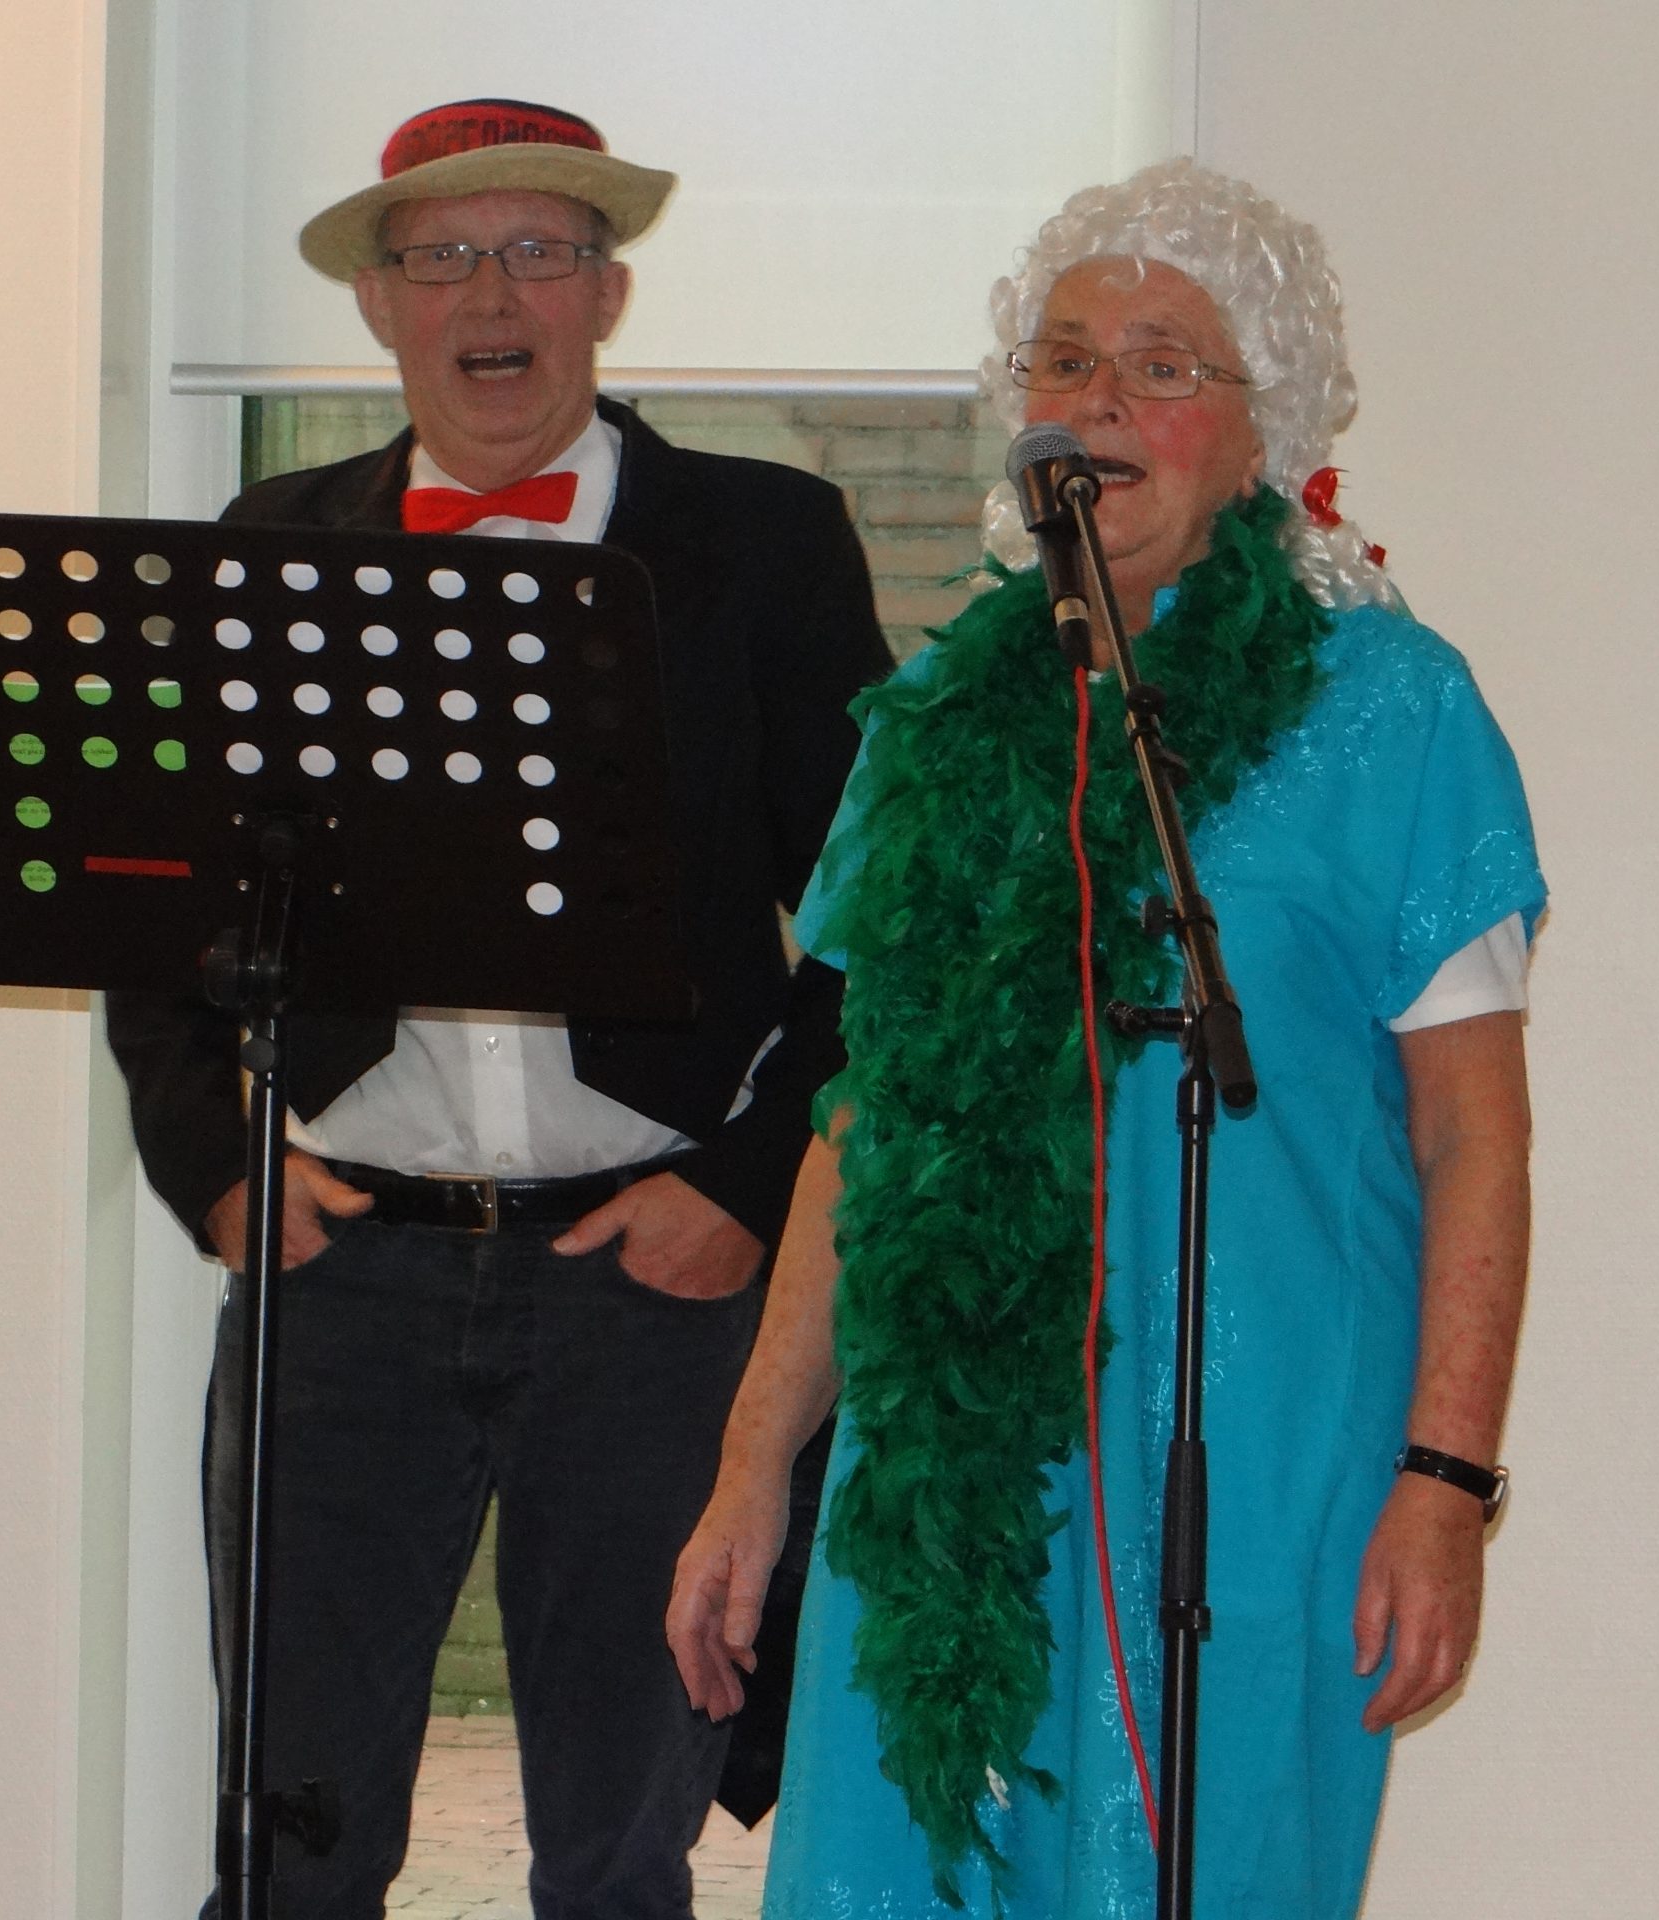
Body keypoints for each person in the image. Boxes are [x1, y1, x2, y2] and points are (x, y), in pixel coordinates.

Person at [666, 159, 1545, 1917]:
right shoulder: (933, 722)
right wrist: (752, 1466)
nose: (1101, 402)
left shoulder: (1393, 707)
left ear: (1265, 423)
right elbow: (861, 1126)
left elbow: (1474, 1134)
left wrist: (1445, 1482)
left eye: (1162, 364)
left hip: (1269, 1440)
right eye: (1066, 361)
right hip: (948, 1462)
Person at [105, 99, 891, 1920]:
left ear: (608, 291)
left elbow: (885, 923)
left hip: (652, 1292)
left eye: (539, 251)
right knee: (288, 1858)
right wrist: (217, 1164)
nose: (491, 295)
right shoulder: (269, 538)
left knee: (619, 1862)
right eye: (443, 256)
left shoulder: (764, 542)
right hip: (341, 1282)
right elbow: (153, 905)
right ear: (378, 305)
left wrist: (747, 1187)